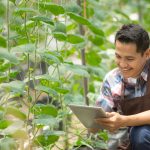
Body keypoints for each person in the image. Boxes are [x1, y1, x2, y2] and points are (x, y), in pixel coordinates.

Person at [94, 24, 150, 150]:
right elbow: (98, 120)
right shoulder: (113, 80)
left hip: (143, 139)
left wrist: (125, 120)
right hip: (130, 142)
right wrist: (94, 122)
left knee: (141, 134)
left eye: (130, 59)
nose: (123, 64)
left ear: (147, 54)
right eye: (118, 56)